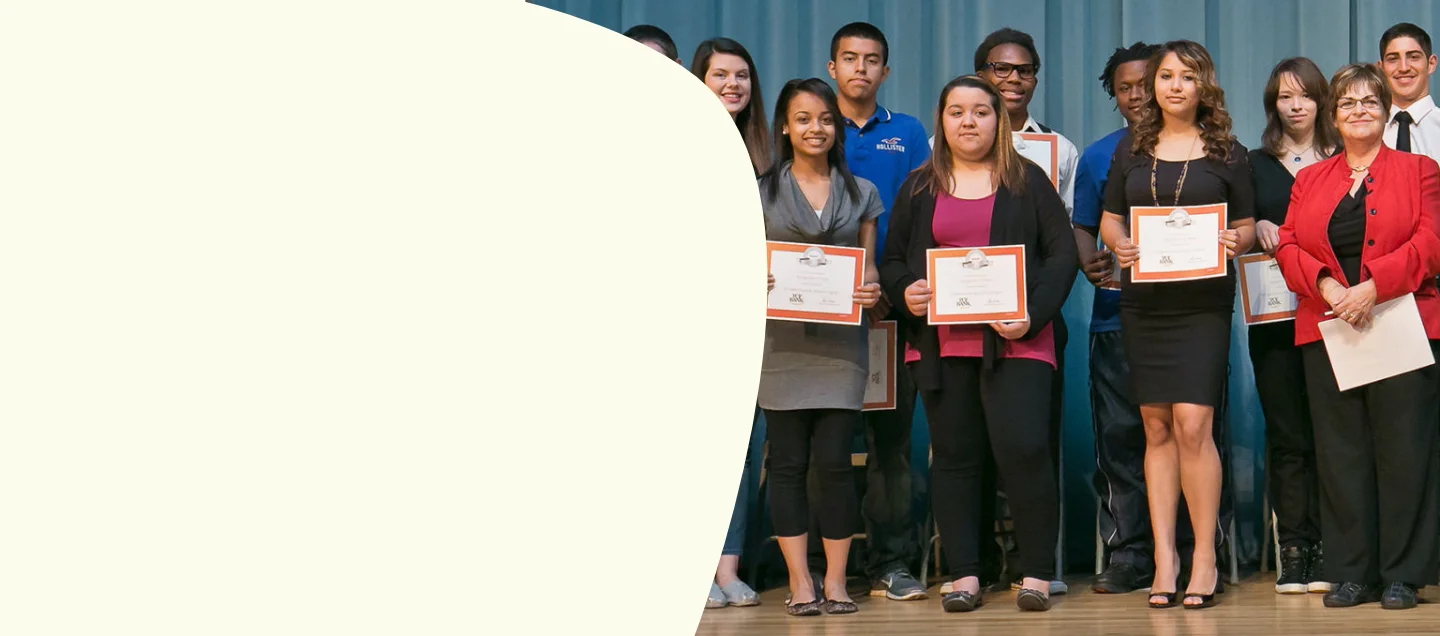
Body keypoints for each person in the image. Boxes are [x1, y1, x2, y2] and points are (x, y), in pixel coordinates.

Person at [880, 75, 1078, 613]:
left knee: (1025, 451)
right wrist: (906, 292)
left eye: (981, 112)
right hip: (942, 347)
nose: (969, 122)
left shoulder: (1028, 181)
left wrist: (1031, 316)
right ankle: (966, 573)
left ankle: (1036, 573)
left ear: (1000, 119)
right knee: (955, 457)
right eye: (956, 112)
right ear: (941, 121)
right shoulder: (919, 186)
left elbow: (1062, 258)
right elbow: (893, 259)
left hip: (1019, 341)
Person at [1275, 63, 1440, 611]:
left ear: (1386, 110)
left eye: (1371, 101)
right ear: (1334, 115)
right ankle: (1352, 571)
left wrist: (1374, 286)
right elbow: (1289, 246)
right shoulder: (1309, 180)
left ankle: (1403, 573)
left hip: (1402, 323)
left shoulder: (1421, 170)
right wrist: (1327, 287)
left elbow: (1430, 243)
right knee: (1341, 454)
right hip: (1330, 330)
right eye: (1348, 103)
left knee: (1404, 453)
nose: (1360, 110)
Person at [1099, 40, 1256, 610]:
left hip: (1202, 306)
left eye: (1186, 77)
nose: (1172, 86)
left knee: (1194, 425)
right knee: (1156, 426)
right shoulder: (1131, 151)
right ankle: (1165, 557)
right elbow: (1111, 221)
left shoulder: (1228, 153)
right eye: (1165, 76)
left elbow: (1246, 225)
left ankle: (1204, 557)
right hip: (1145, 304)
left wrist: (1235, 240)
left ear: (1202, 86)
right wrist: (1122, 246)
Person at [759, 77, 885, 617]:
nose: (817, 128)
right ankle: (800, 580)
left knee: (834, 463)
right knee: (786, 462)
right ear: (785, 126)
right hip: (777, 347)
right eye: (804, 118)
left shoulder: (864, 194)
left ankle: (836, 580)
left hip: (840, 347)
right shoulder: (757, 191)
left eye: (826, 119)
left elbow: (871, 269)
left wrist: (871, 286)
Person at [818, 20, 931, 603]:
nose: (860, 69)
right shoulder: (812, 124)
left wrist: (888, 281)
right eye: (849, 59)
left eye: (872, 60)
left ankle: (892, 561)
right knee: (824, 442)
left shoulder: (908, 133)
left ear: (885, 71)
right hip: (818, 311)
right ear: (832, 66)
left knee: (890, 443)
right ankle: (819, 564)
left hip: (889, 307)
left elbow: (916, 218)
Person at [1073, 41, 1162, 594]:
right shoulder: (1098, 155)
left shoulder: (1205, 149)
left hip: (1187, 321)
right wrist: (1088, 259)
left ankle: (1194, 550)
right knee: (1122, 438)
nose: (1136, 95)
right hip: (1116, 318)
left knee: (1193, 436)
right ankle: (1130, 554)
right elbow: (1085, 224)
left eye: (1145, 83)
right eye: (1124, 87)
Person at [1248, 57, 1339, 596]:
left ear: (1321, 100)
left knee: (1334, 435)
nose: (1297, 105)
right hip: (1276, 320)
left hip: (1335, 316)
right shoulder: (1253, 164)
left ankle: (1333, 546)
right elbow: (1234, 226)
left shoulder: (1343, 160)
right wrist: (1253, 221)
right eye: (1285, 97)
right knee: (1288, 438)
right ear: (1273, 104)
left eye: (1306, 95)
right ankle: (1296, 550)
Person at [691, 36, 770, 610]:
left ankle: (727, 567)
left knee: (743, 448)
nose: (733, 85)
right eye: (720, 75)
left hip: (755, 326)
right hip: (688, 322)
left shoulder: (767, 160)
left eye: (741, 75)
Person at [1379, 23, 1440, 158]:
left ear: (1431, 64)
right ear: (1381, 68)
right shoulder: (1365, 131)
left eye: (1413, 57)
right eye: (1393, 59)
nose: (1404, 67)